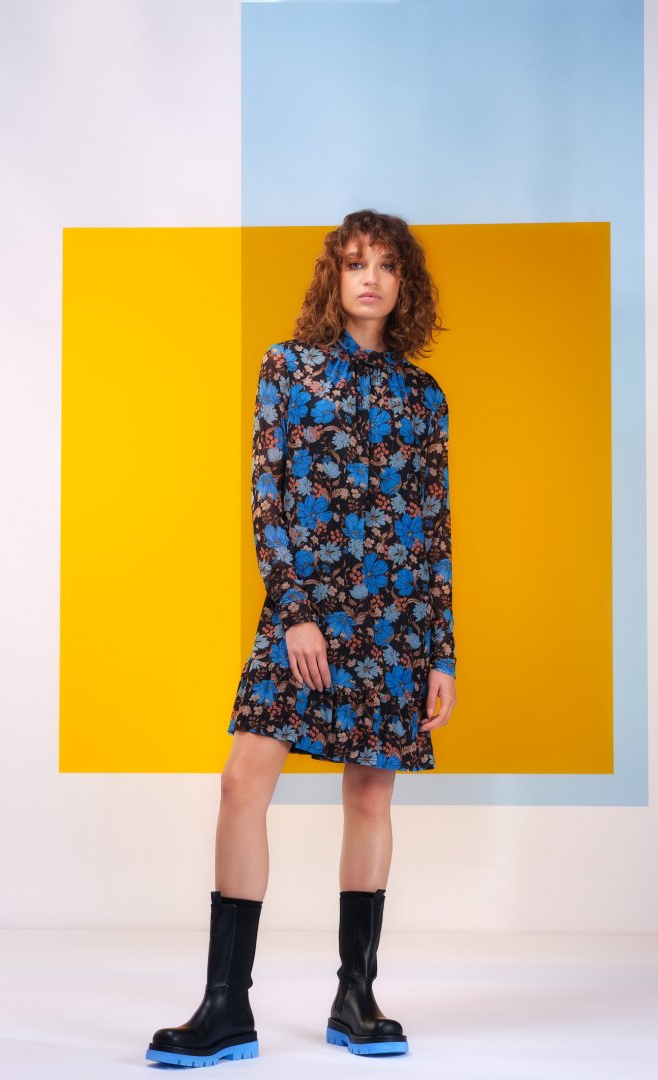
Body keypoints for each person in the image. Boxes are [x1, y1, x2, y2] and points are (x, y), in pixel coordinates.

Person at [146, 209, 457, 1067]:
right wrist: (294, 611)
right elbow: (268, 495)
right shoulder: (288, 368)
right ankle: (225, 1007)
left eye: (386, 265)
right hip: (308, 613)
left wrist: (441, 652)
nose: (371, 278)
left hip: (396, 620)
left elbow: (434, 528)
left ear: (404, 284)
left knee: (370, 797)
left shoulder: (424, 397)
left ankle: (357, 998)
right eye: (356, 263)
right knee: (243, 779)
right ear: (334, 277)